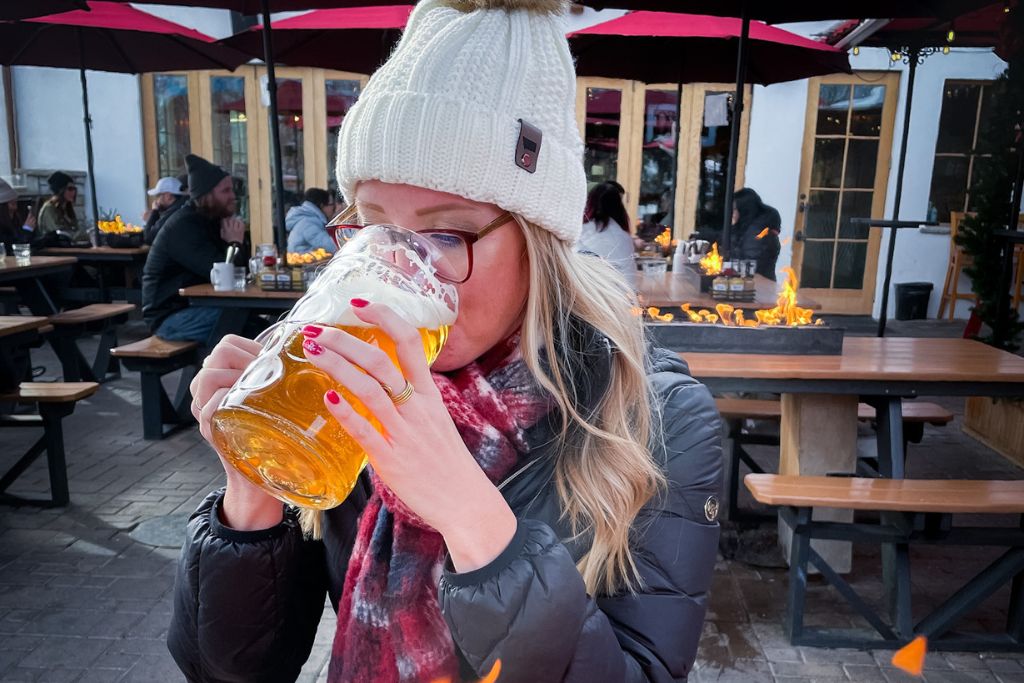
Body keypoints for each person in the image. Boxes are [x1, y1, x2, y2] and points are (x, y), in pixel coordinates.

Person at [169, 2, 723, 682]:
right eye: (374, 228)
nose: (400, 272)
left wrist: (471, 515)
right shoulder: (343, 379)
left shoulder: (657, 420)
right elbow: (231, 670)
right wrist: (250, 500)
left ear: (539, 241)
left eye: (444, 235)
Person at [142, 154, 248, 346]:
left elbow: (243, 271)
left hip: (200, 307)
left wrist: (237, 243)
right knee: (245, 324)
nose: (233, 196)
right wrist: (235, 244)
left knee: (254, 323)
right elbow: (221, 275)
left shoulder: (213, 219)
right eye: (225, 191)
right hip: (170, 318)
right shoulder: (184, 226)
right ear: (207, 195)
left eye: (231, 190)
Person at [578, 181, 635, 278]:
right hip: (620, 290)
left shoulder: (580, 231)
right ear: (619, 207)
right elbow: (630, 277)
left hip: (586, 288)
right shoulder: (623, 236)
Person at [729, 187, 782, 281]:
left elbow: (751, 265)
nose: (732, 213)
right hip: (755, 284)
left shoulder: (757, 233)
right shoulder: (746, 226)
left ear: (744, 210)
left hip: (757, 287)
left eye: (734, 209)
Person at [35, 171, 86, 244]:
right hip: (52, 249)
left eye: (74, 189)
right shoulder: (49, 208)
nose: (73, 192)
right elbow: (59, 233)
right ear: (61, 190)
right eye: (70, 189)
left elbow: (75, 228)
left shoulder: (67, 208)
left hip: (67, 247)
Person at [286, 187, 338, 254]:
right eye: (331, 205)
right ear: (322, 205)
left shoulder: (307, 218)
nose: (334, 209)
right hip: (303, 262)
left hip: (303, 260)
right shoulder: (309, 223)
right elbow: (331, 246)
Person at [143, 176, 188, 245]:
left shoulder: (173, 213)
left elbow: (148, 238)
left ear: (168, 196)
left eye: (158, 196)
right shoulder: (183, 205)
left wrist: (154, 212)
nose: (156, 200)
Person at [0, 179, 35, 252]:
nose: (15, 208)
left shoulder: (15, 219)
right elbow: (10, 247)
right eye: (11, 203)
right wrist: (27, 230)